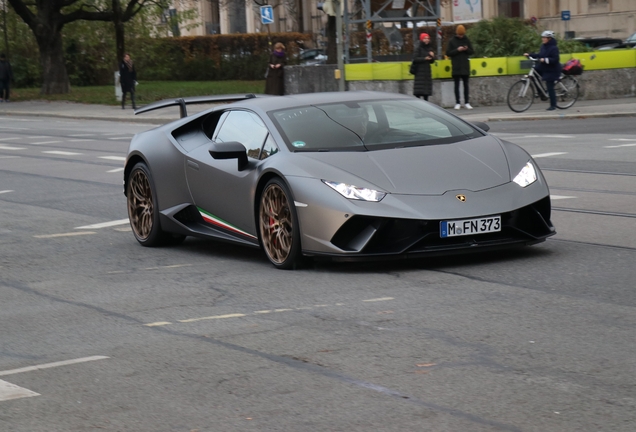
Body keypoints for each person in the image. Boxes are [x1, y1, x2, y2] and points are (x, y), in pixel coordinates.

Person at [525, 30, 562, 111]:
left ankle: (553, 105)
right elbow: (539, 55)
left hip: (552, 69)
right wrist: (530, 54)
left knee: (550, 86)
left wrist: (545, 60)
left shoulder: (554, 48)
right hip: (544, 67)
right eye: (543, 37)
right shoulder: (543, 46)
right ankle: (541, 93)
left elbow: (555, 59)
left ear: (549, 38)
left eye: (544, 38)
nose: (543, 39)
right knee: (533, 74)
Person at [446, 24, 474, 110]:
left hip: (465, 65)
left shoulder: (467, 40)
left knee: (466, 85)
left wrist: (466, 49)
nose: (461, 36)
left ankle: (466, 102)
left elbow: (472, 51)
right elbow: (448, 53)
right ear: (457, 33)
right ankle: (457, 102)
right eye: (459, 34)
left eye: (462, 35)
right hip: (456, 65)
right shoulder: (452, 41)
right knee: (456, 84)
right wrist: (457, 50)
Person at [412, 33, 436, 101]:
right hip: (420, 73)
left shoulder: (429, 48)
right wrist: (424, 59)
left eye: (428, 38)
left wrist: (433, 56)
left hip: (426, 74)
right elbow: (415, 58)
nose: (427, 40)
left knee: (426, 94)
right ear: (422, 39)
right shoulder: (418, 48)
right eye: (425, 38)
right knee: (418, 94)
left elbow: (432, 61)